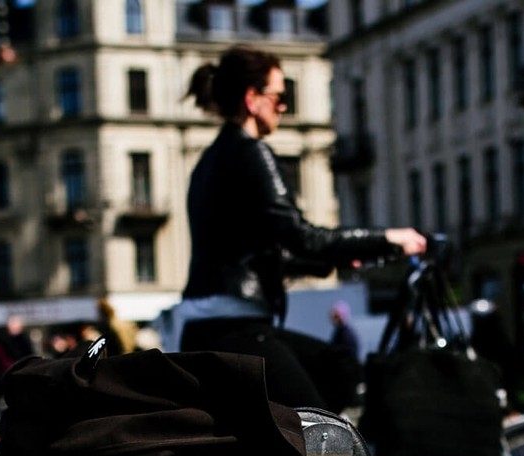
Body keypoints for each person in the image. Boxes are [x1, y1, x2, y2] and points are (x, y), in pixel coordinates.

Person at [178, 46, 426, 409]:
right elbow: (302, 236)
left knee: (336, 368)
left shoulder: (208, 161)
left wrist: (326, 263)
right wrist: (389, 240)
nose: (282, 107)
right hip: (237, 330)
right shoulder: (251, 152)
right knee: (321, 414)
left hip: (204, 329)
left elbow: (250, 255)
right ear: (252, 99)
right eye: (279, 97)